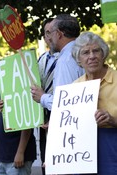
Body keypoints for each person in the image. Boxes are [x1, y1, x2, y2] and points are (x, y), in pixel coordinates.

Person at [72, 31, 117, 174]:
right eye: (85, 52)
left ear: (103, 55)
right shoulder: (74, 87)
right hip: (83, 150)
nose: (92, 56)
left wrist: (113, 120)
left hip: (112, 146)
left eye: (96, 51)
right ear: (79, 59)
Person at [31, 14, 84, 111]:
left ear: (59, 34)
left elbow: (65, 103)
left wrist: (42, 97)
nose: (49, 38)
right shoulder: (81, 52)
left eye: (50, 33)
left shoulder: (66, 60)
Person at [0, 89, 36, 175]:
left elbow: (27, 124)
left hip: (16, 157)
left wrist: (20, 152)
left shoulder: (23, 91)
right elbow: (2, 118)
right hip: (4, 158)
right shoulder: (8, 94)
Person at [37, 18, 59, 175]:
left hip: (61, 112)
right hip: (42, 114)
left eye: (53, 31)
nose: (50, 36)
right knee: (46, 161)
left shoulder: (71, 58)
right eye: (47, 33)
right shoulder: (40, 59)